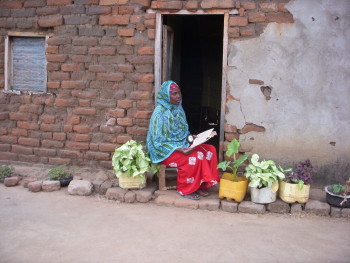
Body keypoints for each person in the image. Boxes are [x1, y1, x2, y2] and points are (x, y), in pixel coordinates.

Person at [146, 80, 220, 200]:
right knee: (195, 157)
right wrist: (179, 149)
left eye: (179, 93)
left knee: (209, 150)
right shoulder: (159, 114)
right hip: (164, 150)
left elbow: (182, 132)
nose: (178, 96)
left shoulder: (178, 109)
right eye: (174, 94)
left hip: (181, 145)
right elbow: (157, 142)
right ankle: (186, 189)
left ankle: (201, 184)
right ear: (166, 95)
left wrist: (191, 138)